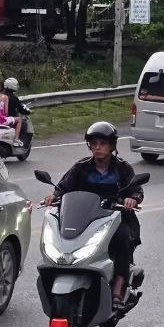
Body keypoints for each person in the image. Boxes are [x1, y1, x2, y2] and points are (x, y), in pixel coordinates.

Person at [42, 122, 143, 309]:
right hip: (85, 218)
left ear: (112, 146)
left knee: (122, 239)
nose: (97, 147)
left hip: (114, 218)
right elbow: (63, 188)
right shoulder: (81, 167)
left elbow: (136, 190)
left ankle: (118, 289)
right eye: (94, 143)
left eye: (102, 143)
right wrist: (53, 196)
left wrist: (132, 199)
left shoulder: (122, 168)